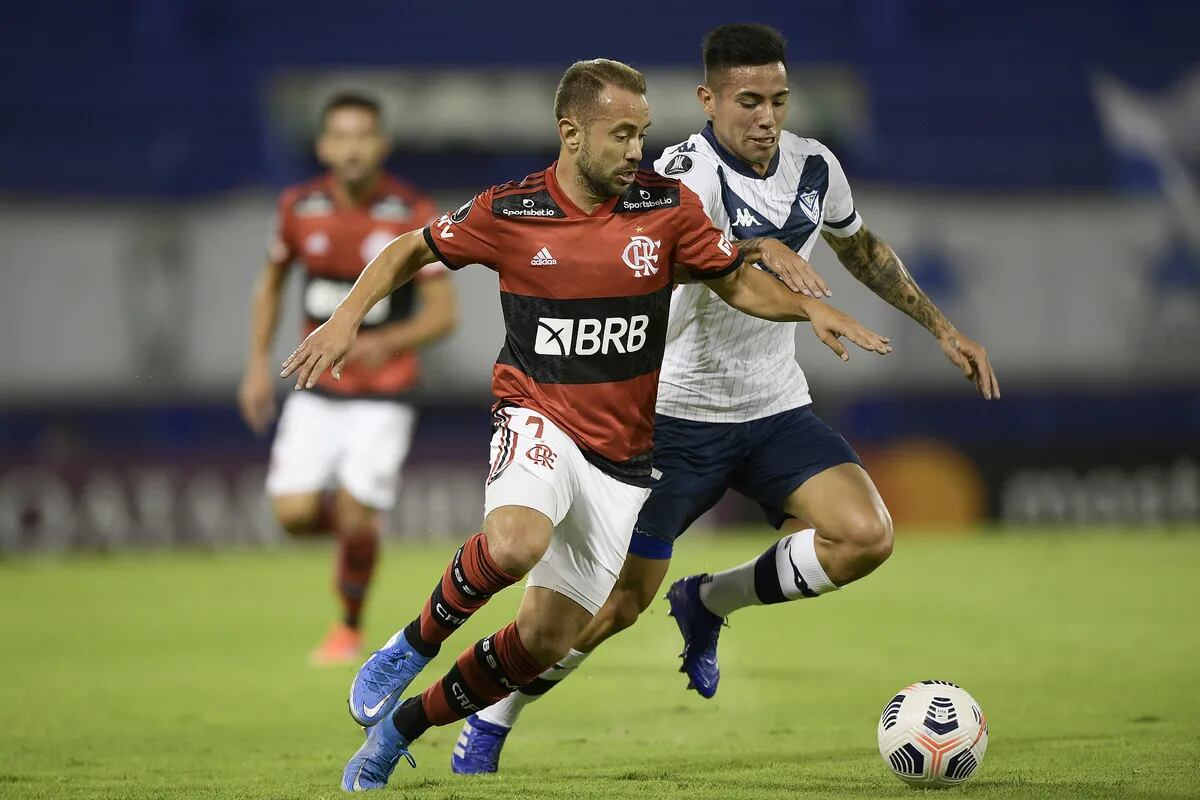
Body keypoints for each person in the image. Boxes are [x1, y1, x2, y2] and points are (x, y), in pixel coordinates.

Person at [280, 58, 891, 791]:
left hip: (623, 460)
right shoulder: (512, 210)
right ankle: (409, 645)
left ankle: (400, 729)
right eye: (621, 134)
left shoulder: (664, 208)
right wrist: (347, 317)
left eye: (642, 133)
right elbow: (413, 246)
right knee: (514, 543)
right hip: (537, 414)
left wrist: (809, 306)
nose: (637, 149)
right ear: (571, 134)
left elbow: (734, 281)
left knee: (543, 641)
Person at [451, 24, 999, 774]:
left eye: (777, 99)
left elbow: (861, 248)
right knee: (611, 608)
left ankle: (709, 602)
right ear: (709, 101)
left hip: (773, 407)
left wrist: (944, 328)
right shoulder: (681, 173)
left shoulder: (814, 167)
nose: (766, 116)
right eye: (748, 101)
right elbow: (667, 255)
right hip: (671, 417)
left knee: (866, 535)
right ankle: (491, 716)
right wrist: (751, 248)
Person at [238, 92, 457, 666]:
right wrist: (257, 367)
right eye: (342, 136)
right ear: (324, 146)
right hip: (316, 384)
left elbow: (443, 313)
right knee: (292, 514)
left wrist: (383, 341)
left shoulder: (411, 212)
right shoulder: (298, 207)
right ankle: (359, 536)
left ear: (381, 144)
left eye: (364, 135)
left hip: (385, 393)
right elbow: (271, 286)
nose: (353, 147)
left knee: (359, 512)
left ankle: (348, 626)